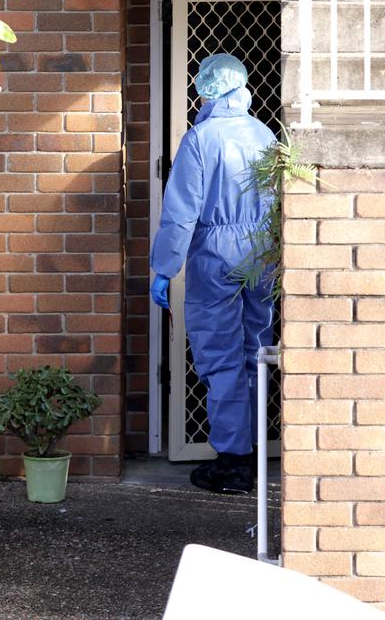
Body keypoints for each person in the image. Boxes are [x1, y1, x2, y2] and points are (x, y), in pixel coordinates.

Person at [150, 53, 275, 495]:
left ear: (207, 88)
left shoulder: (200, 139)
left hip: (216, 255)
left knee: (220, 359)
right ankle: (255, 452)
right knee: (255, 354)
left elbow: (182, 213)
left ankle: (233, 461)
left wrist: (164, 268)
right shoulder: (265, 134)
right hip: (263, 254)